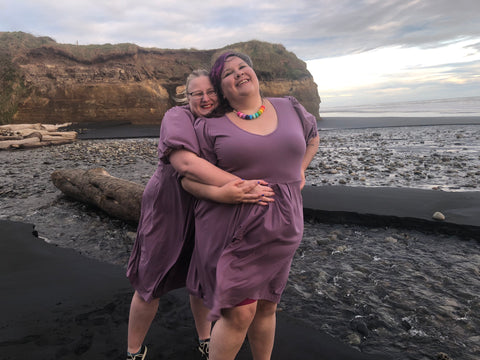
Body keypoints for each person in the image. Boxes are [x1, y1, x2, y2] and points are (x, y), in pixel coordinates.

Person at [173, 52, 319, 360]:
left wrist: (301, 169)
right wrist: (225, 194)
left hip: (285, 227)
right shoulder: (209, 128)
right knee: (238, 314)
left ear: (254, 73)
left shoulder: (290, 107)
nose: (239, 73)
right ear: (221, 89)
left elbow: (313, 138)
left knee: (267, 306)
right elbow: (187, 179)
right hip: (232, 227)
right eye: (228, 73)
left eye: (243, 67)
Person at [126, 69, 274, 360]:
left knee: (199, 278)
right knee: (151, 279)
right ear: (186, 96)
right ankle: (134, 351)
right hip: (170, 206)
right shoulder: (177, 117)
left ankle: (205, 339)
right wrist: (236, 187)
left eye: (210, 92)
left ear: (219, 93)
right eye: (197, 94)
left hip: (208, 209)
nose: (205, 99)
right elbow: (186, 164)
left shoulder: (226, 119)